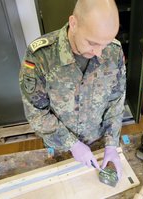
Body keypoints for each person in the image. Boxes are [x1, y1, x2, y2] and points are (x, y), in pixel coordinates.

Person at [19, 0, 126, 179]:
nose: (99, 52)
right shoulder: (41, 56)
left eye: (105, 44)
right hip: (60, 145)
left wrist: (111, 143)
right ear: (74, 23)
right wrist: (72, 144)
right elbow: (36, 113)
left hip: (98, 143)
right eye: (92, 43)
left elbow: (116, 101)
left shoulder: (113, 52)